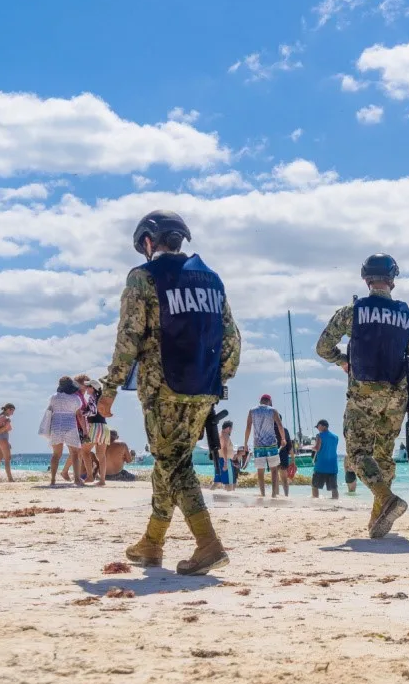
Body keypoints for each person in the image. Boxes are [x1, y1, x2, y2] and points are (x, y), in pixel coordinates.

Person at [98, 210, 241, 575]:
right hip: (205, 388)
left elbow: (128, 338)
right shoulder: (211, 279)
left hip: (164, 389)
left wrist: (109, 388)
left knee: (173, 464)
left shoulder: (143, 278)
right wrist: (218, 379)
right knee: (170, 462)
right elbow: (232, 338)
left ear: (148, 242)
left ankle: (208, 543)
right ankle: (152, 542)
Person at [316, 253, 409, 538]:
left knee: (357, 453)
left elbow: (322, 346)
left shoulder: (353, 311)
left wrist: (343, 360)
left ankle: (386, 500)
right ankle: (378, 519)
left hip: (364, 391)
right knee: (383, 455)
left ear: (366, 279)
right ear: (393, 281)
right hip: (397, 394)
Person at [39, 377, 85, 486]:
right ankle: (77, 479)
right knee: (74, 453)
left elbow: (51, 410)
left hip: (56, 425)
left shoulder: (53, 397)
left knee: (56, 454)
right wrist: (84, 429)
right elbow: (79, 414)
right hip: (70, 425)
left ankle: (53, 480)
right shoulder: (75, 398)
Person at [243, 395, 287, 498]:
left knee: (260, 470)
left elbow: (248, 427)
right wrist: (283, 439)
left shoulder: (252, 411)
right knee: (274, 470)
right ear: (270, 401)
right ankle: (273, 494)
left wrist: (245, 443)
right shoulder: (273, 410)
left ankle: (262, 494)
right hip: (271, 444)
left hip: (258, 445)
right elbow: (280, 425)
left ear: (260, 401)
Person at [312, 419, 340, 499]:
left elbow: (317, 448)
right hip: (333, 466)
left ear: (323, 426)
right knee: (334, 488)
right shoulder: (336, 437)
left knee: (315, 486)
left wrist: (311, 447)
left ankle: (315, 502)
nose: (317, 428)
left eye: (318, 426)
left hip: (321, 466)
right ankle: (336, 503)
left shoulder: (319, 436)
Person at [0, 403, 16, 484]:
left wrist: (7, 442)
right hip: (2, 439)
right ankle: (10, 478)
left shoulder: (2, 416)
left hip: (1, 439)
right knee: (7, 458)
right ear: (9, 409)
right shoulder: (4, 417)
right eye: (12, 411)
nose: (13, 413)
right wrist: (7, 424)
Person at [217, 420, 236, 492]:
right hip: (226, 460)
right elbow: (224, 448)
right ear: (228, 428)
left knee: (226, 482)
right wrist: (225, 462)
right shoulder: (225, 435)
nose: (231, 430)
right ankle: (229, 500)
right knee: (229, 483)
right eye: (231, 428)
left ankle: (225, 498)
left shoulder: (220, 434)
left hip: (222, 459)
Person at [275, 422, 293, 497]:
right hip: (283, 455)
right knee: (284, 478)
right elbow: (289, 444)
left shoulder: (270, 430)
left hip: (273, 455)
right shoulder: (285, 430)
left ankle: (276, 495)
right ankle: (286, 495)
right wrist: (293, 458)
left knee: (275, 477)